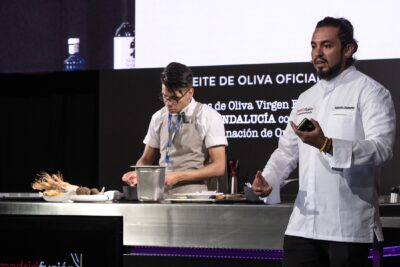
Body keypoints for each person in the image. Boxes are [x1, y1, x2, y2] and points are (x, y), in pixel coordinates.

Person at [252, 17, 396, 267]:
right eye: (313, 46)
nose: (317, 54)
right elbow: (286, 151)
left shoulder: (371, 92)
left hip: (348, 227)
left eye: (326, 46)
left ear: (348, 49)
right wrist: (268, 180)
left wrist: (328, 145)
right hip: (303, 225)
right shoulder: (306, 97)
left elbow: (382, 149)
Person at [122, 62, 228, 195]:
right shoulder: (158, 117)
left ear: (190, 93)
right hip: (160, 195)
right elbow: (146, 159)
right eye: (164, 97)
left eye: (174, 98)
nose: (168, 103)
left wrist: (178, 176)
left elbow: (219, 167)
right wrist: (139, 173)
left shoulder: (208, 116)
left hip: (195, 198)